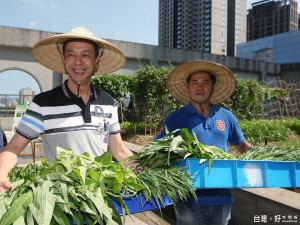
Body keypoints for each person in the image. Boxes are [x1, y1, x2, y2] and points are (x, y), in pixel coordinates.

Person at [0, 27, 135, 192]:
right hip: (59, 200)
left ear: (96, 62)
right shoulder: (43, 103)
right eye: (71, 54)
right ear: (64, 60)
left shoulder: (108, 102)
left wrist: (145, 168)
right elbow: (13, 147)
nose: (78, 61)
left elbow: (118, 148)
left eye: (85, 55)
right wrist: (2, 173)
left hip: (100, 197)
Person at [155, 60, 252, 225]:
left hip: (221, 198)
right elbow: (157, 150)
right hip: (188, 199)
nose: (200, 87)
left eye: (205, 83)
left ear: (213, 87)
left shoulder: (227, 117)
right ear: (188, 87)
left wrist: (267, 158)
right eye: (195, 83)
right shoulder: (175, 119)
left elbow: (242, 146)